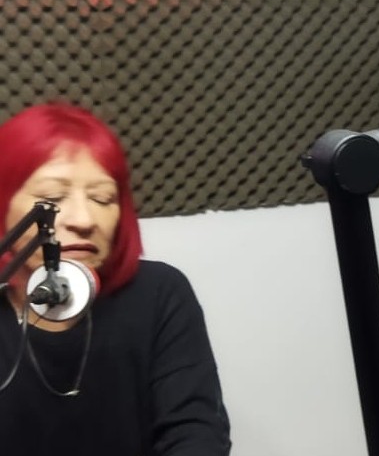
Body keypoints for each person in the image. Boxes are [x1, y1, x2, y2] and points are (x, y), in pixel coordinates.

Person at [0, 103, 231, 455]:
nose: (84, 219)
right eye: (52, 198)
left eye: (102, 198)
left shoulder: (159, 293)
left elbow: (196, 432)